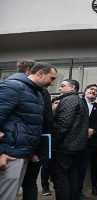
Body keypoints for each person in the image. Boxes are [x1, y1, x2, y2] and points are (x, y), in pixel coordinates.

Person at [0, 61, 57, 200]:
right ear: (40, 73)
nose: (53, 83)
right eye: (52, 78)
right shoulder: (13, 86)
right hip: (9, 153)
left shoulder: (37, 93)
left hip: (24, 153)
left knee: (11, 195)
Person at [20, 61, 56, 200]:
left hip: (30, 148)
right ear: (33, 72)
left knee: (28, 183)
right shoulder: (40, 91)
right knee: (28, 183)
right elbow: (47, 120)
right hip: (15, 151)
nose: (52, 82)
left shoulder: (42, 91)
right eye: (51, 78)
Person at [51, 79, 89, 200]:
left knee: (61, 178)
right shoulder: (80, 101)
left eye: (62, 86)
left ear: (72, 88)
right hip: (75, 147)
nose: (59, 88)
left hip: (65, 147)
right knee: (72, 176)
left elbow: (63, 124)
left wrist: (54, 143)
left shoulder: (69, 100)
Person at [77, 84, 97, 197]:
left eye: (96, 91)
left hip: (93, 142)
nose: (93, 91)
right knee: (80, 167)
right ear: (85, 91)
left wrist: (94, 130)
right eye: (91, 89)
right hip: (78, 141)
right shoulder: (77, 103)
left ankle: (94, 186)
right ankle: (78, 191)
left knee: (94, 166)